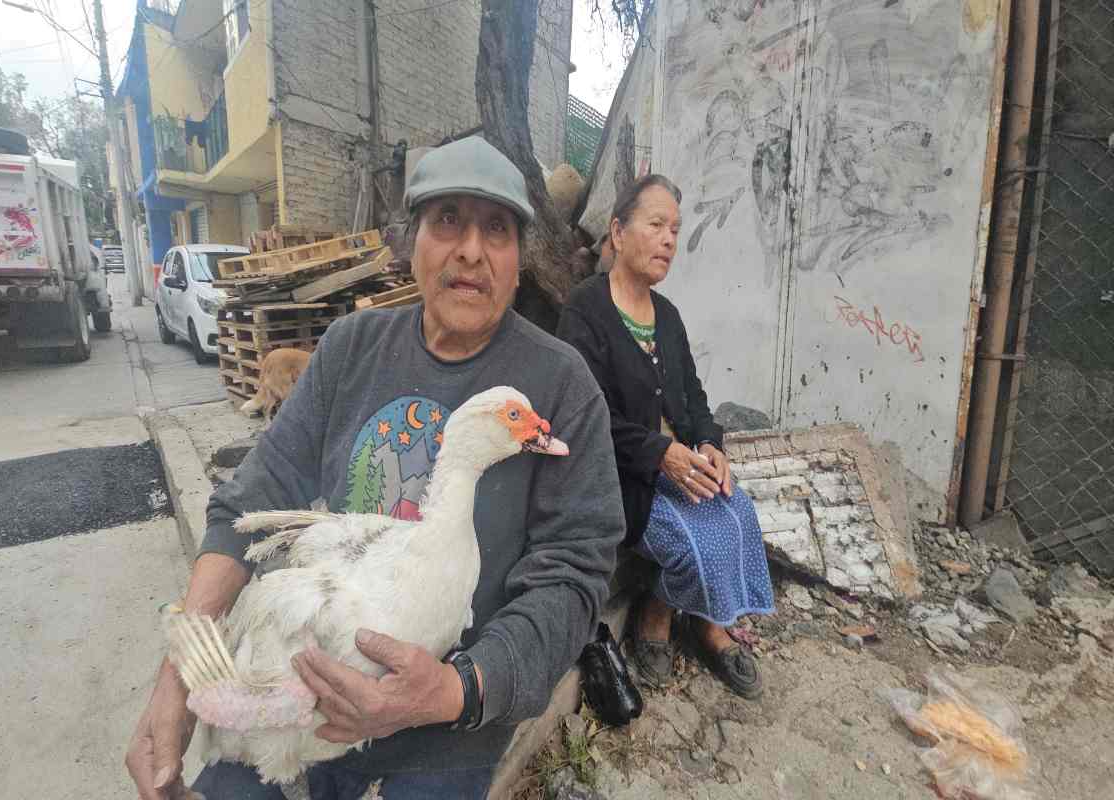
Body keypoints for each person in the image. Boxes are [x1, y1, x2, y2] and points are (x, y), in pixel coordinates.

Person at [125, 136, 624, 800]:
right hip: (305, 684)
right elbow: (249, 502)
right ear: (410, 241)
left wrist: (453, 689)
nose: (471, 249)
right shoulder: (350, 348)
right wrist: (179, 671)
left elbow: (573, 577)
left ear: (517, 259)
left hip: (450, 721)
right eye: (448, 219)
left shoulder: (560, 386)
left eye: (496, 229)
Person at [556, 174, 775, 699]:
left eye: (675, 229)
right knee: (697, 540)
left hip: (681, 466)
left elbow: (695, 398)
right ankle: (663, 614)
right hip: (627, 480)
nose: (669, 239)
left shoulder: (668, 317)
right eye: (656, 225)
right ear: (617, 231)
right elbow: (587, 419)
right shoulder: (584, 312)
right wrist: (662, 455)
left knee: (739, 514)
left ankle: (705, 622)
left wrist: (709, 447)